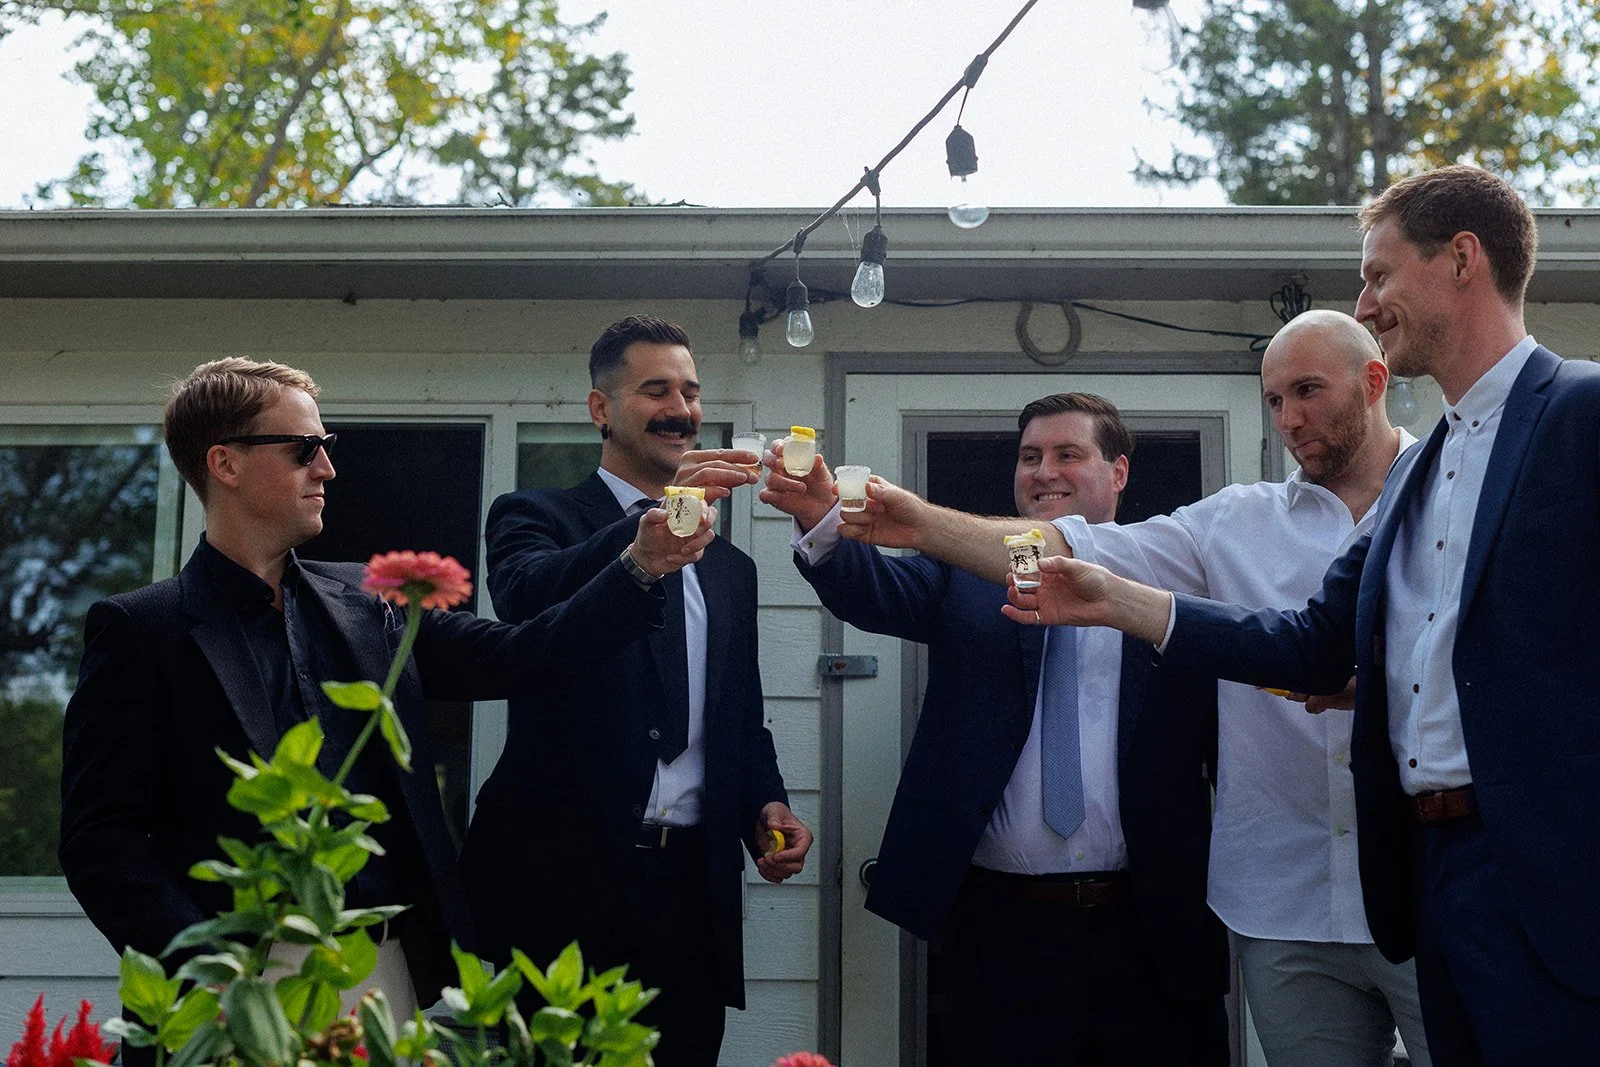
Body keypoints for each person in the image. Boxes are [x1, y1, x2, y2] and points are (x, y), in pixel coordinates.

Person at [1001, 166, 1600, 1063]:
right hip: (1428, 883)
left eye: (1380, 274)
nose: (1368, 299)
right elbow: (1310, 644)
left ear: (1463, 259)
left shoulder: (1582, 411)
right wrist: (1115, 599)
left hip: (1546, 880)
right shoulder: (1430, 466)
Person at [58, 357, 688, 1059]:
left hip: (391, 969)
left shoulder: (372, 603)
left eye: (327, 447)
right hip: (236, 981)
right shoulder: (140, 629)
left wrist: (638, 565)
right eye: (304, 448)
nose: (326, 468)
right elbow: (99, 841)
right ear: (224, 463)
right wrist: (212, 974)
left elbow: (525, 654)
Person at [762, 393, 1227, 1064]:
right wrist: (821, 518)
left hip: (1152, 921)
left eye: (1069, 454)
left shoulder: (1173, 577)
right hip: (1005, 925)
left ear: (1119, 472)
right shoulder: (972, 570)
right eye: (1030, 456)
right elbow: (874, 590)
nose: (1044, 471)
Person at [463, 315, 813, 1067]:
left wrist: (765, 805)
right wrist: (646, 532)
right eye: (656, 389)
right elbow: (526, 602)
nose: (680, 408)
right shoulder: (534, 516)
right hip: (564, 888)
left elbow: (738, 719)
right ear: (601, 409)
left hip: (691, 891)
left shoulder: (732, 569)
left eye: (690, 391)